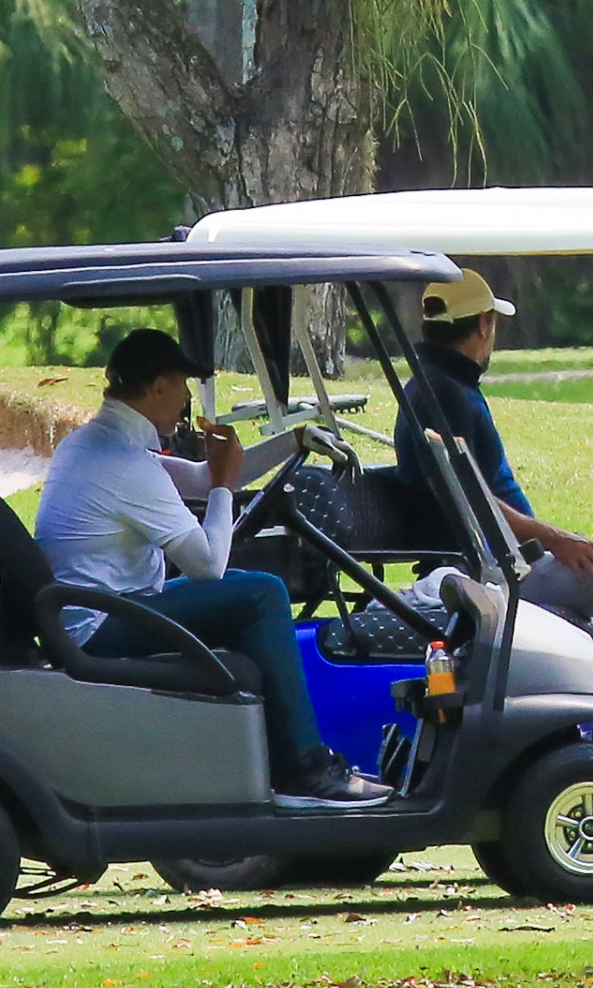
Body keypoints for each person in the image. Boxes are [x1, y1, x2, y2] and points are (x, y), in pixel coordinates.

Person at [34, 329, 392, 808]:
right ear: (158, 387)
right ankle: (302, 768)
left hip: (97, 611)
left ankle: (271, 760)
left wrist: (293, 441)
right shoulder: (125, 465)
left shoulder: (95, 444)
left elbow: (203, 477)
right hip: (102, 624)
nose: (186, 399)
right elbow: (207, 565)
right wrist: (224, 486)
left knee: (250, 591)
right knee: (261, 592)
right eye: (182, 385)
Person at [392, 271, 593, 763]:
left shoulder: (439, 384)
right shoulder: (442, 392)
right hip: (489, 576)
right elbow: (467, 499)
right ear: (484, 325)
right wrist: (555, 539)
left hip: (504, 564)